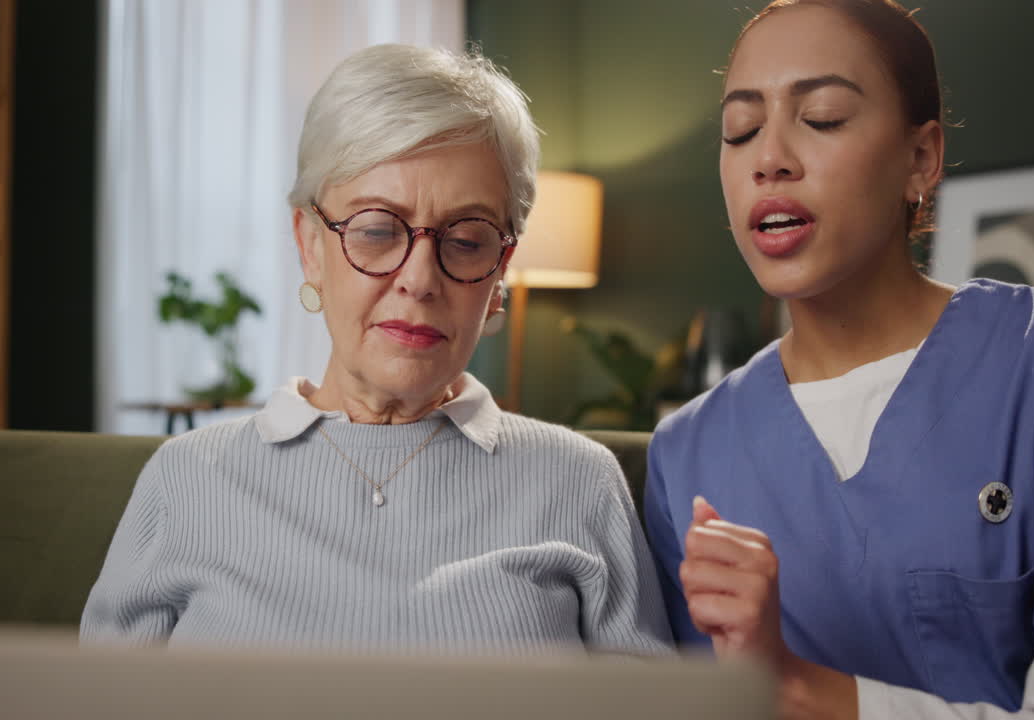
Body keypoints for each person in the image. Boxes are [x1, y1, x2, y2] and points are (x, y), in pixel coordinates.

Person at [82, 43, 672, 655]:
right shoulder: (187, 481)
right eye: (376, 230)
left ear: (501, 272)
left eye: (467, 240)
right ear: (311, 246)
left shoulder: (580, 482)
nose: (419, 279)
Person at [644, 0, 1034, 716]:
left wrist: (798, 686)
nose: (770, 158)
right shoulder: (687, 453)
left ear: (920, 158)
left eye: (823, 118)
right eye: (740, 129)